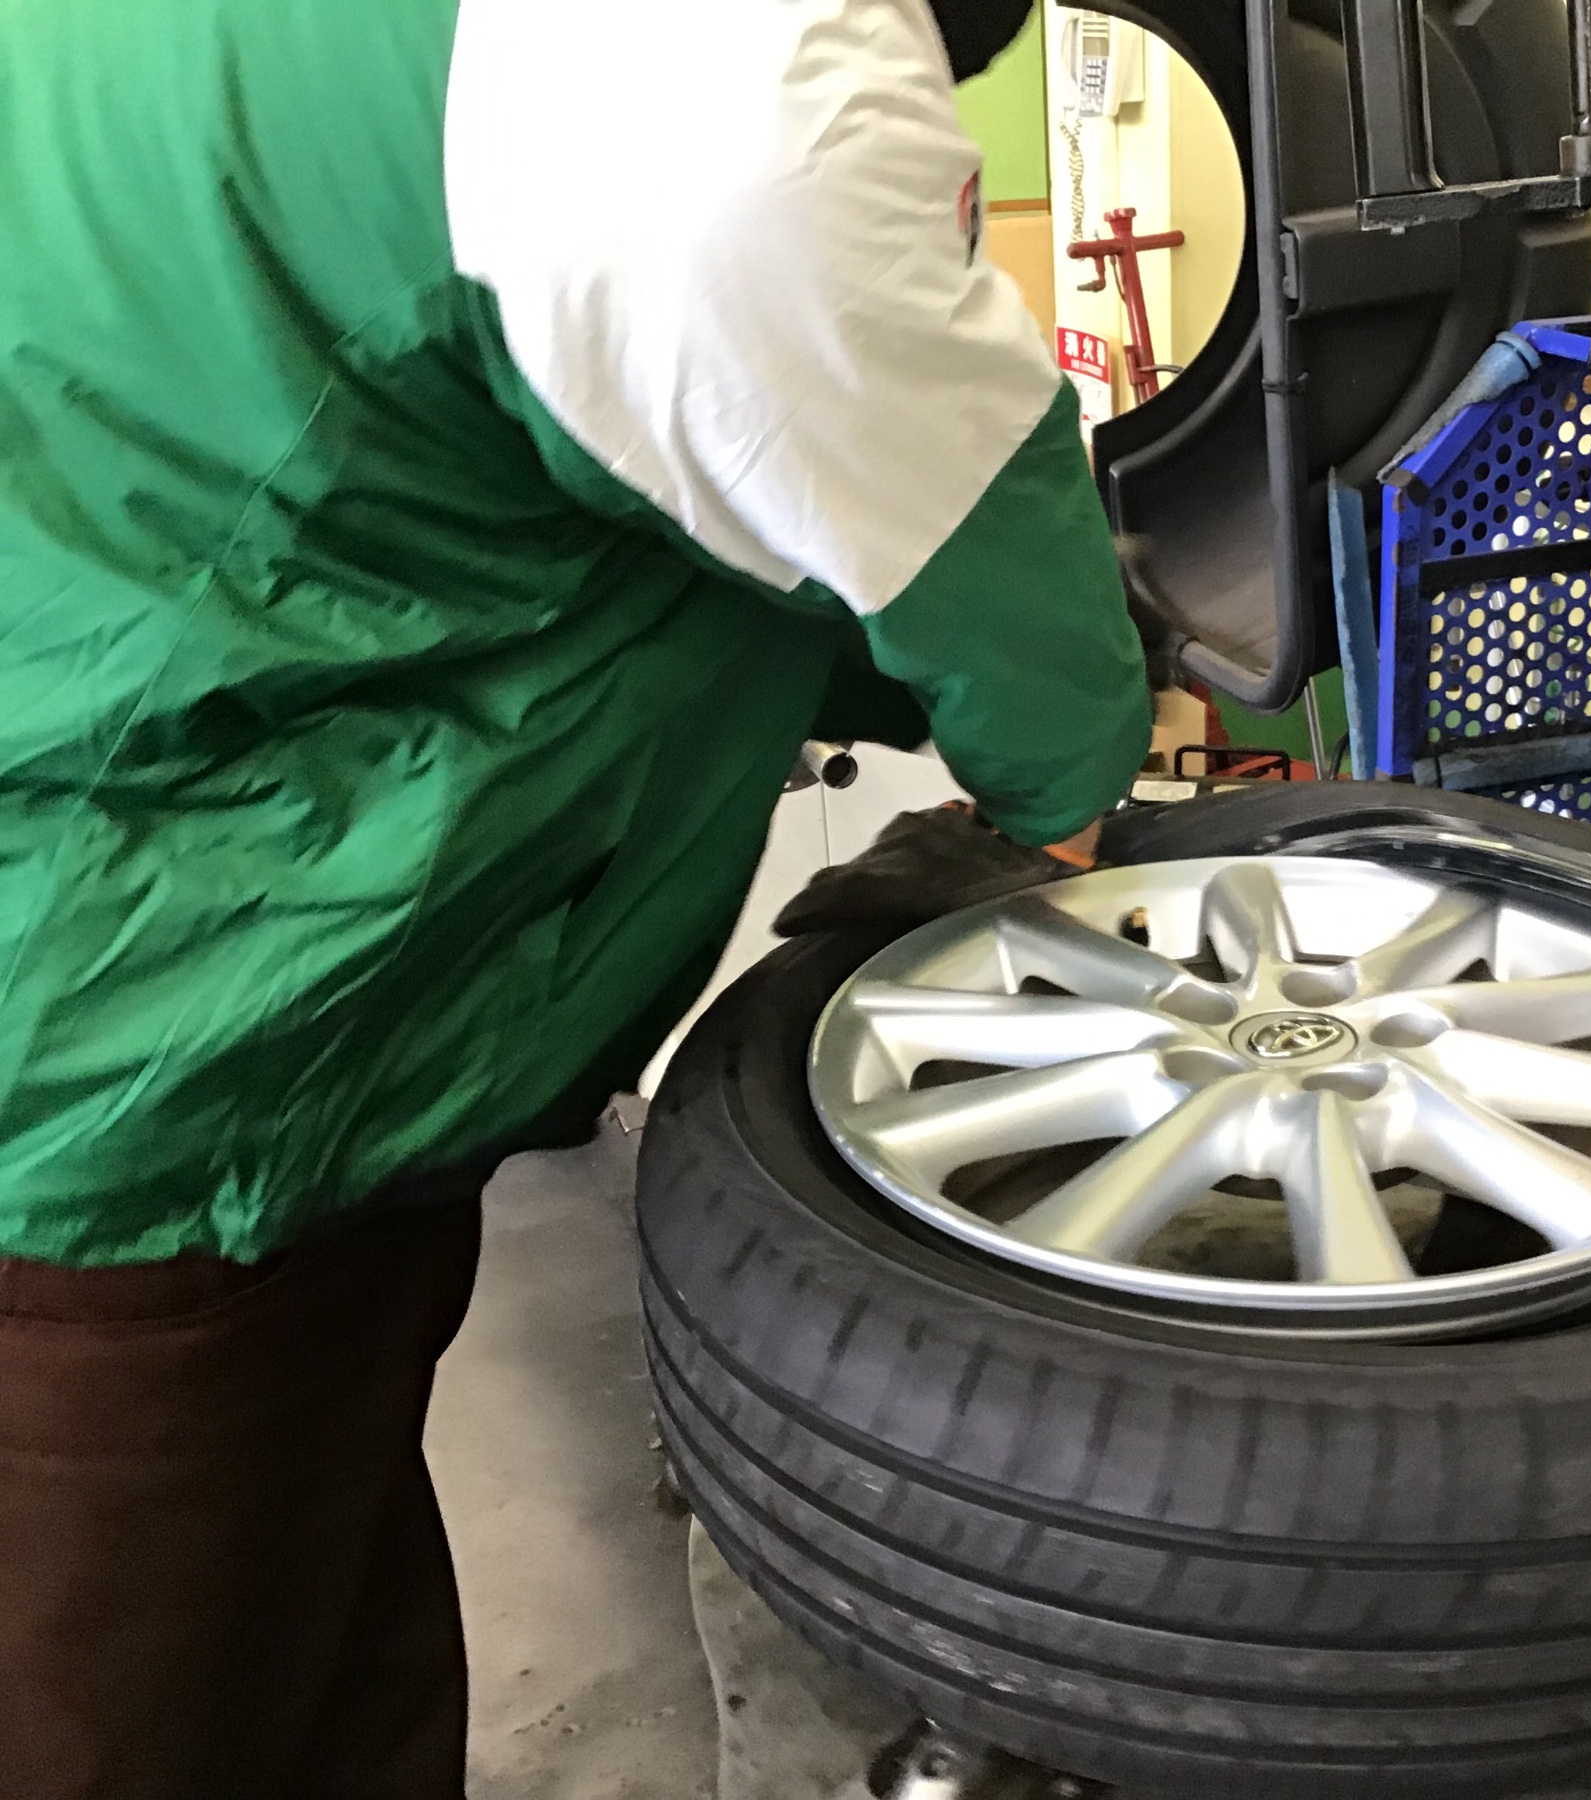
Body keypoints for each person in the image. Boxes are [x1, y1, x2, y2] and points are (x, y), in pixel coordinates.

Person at [0, 0, 1149, 1792]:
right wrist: (1066, 794)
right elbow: (961, 526)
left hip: (214, 1024)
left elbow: (520, 444)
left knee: (310, 1629)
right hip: (139, 1075)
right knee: (138, 1707)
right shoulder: (740, 78)